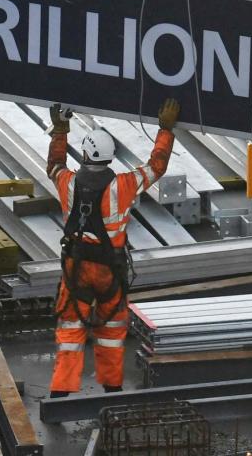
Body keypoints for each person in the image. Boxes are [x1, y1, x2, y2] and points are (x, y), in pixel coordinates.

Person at [45, 98, 180, 397]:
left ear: (85, 153)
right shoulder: (124, 185)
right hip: (110, 270)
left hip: (76, 269)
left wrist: (60, 129)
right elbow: (156, 167)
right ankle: (112, 387)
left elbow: (54, 165)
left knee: (70, 329)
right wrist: (166, 129)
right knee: (111, 330)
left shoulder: (68, 182)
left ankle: (61, 392)